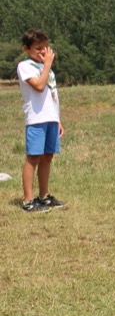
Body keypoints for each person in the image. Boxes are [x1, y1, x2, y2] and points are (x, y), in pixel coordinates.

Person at [16, 28, 65, 213]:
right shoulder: (25, 66)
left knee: (47, 156)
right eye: (38, 48)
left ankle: (44, 196)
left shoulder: (47, 69)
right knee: (33, 157)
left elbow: (52, 95)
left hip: (50, 118)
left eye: (45, 47)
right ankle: (28, 200)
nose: (43, 51)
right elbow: (38, 86)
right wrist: (47, 65)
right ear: (26, 48)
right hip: (36, 119)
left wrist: (57, 119)